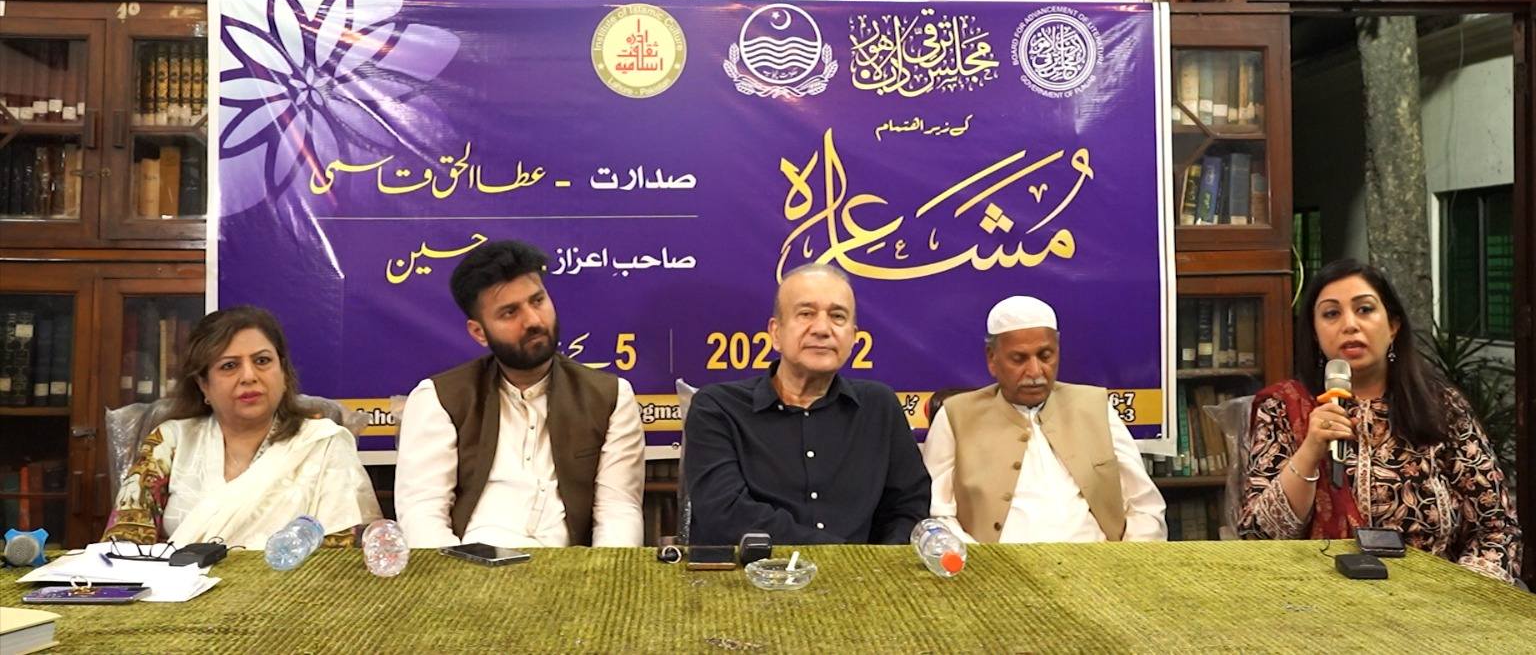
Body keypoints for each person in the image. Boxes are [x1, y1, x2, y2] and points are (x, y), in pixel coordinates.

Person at [1238, 259, 1521, 581]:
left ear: (1393, 325)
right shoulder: (1282, 408)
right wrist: (1310, 450)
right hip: (1316, 598)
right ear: (1315, 333)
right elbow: (1258, 538)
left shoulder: (1441, 406)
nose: (1349, 325)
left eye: (1365, 309)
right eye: (1331, 314)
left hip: (1432, 599)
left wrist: (1460, 596)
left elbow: (1496, 529)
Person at [394, 240, 645, 548]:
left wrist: (605, 573)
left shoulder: (610, 397)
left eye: (537, 301)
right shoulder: (438, 399)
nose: (533, 321)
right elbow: (422, 514)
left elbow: (618, 512)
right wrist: (456, 572)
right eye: (509, 312)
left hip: (569, 567)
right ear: (479, 332)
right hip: (470, 565)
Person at [683, 264, 930, 545]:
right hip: (754, 570)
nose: (822, 329)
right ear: (776, 333)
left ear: (853, 337)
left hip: (866, 572)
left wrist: (881, 563)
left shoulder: (879, 406)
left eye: (837, 316)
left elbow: (909, 506)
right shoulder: (718, 408)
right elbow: (725, 514)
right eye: (806, 314)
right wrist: (841, 558)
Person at [103, 307, 380, 549]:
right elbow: (124, 545)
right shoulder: (171, 441)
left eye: (262, 361)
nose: (249, 376)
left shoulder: (324, 444)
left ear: (283, 373)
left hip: (295, 590)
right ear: (203, 384)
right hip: (179, 590)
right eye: (229, 366)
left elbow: (341, 558)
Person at [923, 296, 1166, 543]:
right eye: (1019, 359)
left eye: (1045, 356)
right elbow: (936, 514)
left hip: (1098, 561)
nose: (1035, 372)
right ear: (992, 358)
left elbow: (1144, 506)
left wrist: (1127, 558)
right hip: (992, 563)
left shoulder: (1095, 407)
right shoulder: (956, 416)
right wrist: (980, 561)